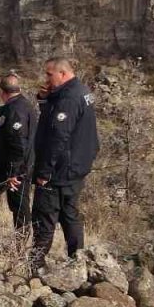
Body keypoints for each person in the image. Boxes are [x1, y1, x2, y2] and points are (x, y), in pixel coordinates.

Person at [30, 57, 100, 273]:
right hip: (75, 168)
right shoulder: (80, 91)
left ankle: (35, 268)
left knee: (44, 218)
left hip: (59, 170)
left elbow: (57, 136)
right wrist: (45, 100)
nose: (46, 78)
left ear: (62, 73)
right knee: (70, 216)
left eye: (49, 74)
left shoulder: (68, 99)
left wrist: (44, 172)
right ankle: (78, 264)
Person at [0, 72, 38, 233]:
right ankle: (21, 243)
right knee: (18, 205)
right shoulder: (22, 105)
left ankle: (19, 245)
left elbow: (18, 144)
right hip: (17, 167)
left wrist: (14, 173)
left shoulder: (15, 111)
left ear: (2, 92)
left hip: (13, 170)